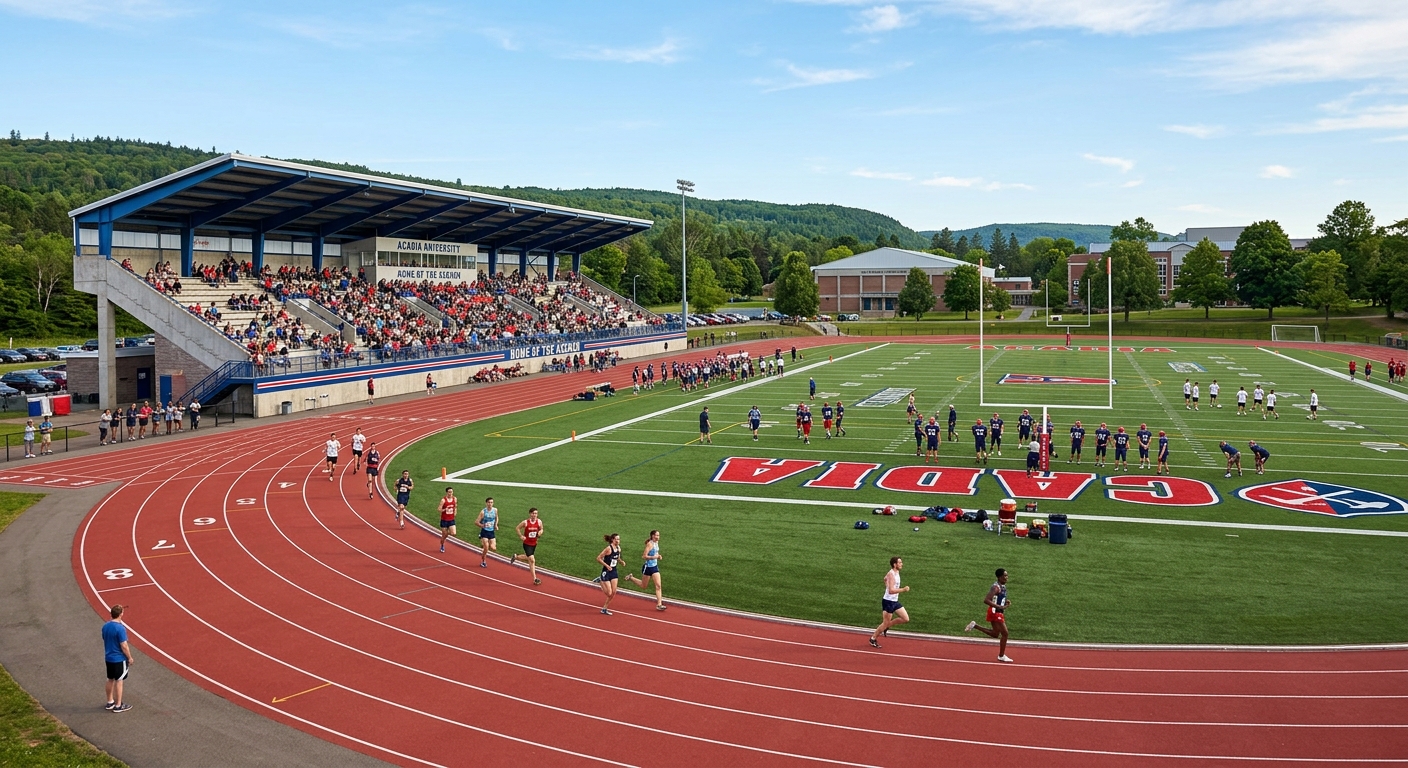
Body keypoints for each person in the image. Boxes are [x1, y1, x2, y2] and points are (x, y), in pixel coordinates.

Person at [965, 568, 1013, 663]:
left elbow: (998, 599)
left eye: (1007, 575)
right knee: (1005, 633)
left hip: (998, 611)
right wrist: (999, 606)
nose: (1007, 577)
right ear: (999, 577)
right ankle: (1001, 656)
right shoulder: (996, 587)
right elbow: (986, 600)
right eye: (1005, 576)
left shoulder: (1003, 586)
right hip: (995, 612)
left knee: (995, 634)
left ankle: (975, 626)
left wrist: (1005, 604)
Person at [869, 556, 910, 648]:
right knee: (885, 622)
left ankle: (887, 626)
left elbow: (885, 579)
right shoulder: (891, 574)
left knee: (905, 618)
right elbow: (891, 591)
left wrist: (887, 585)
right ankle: (873, 638)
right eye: (899, 563)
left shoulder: (896, 572)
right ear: (895, 564)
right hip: (888, 602)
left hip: (894, 601)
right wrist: (903, 589)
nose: (901, 564)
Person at [623, 529, 666, 611]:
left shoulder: (656, 543)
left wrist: (658, 556)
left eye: (659, 535)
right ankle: (631, 577)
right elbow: (644, 556)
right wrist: (654, 557)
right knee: (643, 586)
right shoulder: (649, 544)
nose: (658, 537)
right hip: (648, 567)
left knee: (658, 585)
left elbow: (655, 553)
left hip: (655, 567)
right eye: (657, 535)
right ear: (653, 536)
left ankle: (659, 604)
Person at [103, 604, 135, 712]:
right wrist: (129, 657)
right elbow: (124, 645)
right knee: (119, 681)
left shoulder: (106, 626)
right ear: (121, 614)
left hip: (108, 657)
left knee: (110, 679)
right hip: (119, 659)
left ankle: (110, 701)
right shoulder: (120, 628)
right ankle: (118, 705)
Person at [506, 507, 544, 585]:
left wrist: (540, 532)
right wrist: (521, 536)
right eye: (533, 513)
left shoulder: (539, 521)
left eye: (536, 513)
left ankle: (516, 557)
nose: (534, 515)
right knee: (532, 559)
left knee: (530, 559)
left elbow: (541, 529)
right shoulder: (525, 522)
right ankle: (535, 578)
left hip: (534, 543)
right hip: (527, 543)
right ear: (530, 514)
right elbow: (517, 528)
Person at [595, 533, 622, 615]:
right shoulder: (608, 549)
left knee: (614, 592)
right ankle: (600, 580)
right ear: (612, 540)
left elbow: (617, 557)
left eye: (619, 539)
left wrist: (621, 562)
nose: (618, 541)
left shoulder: (618, 548)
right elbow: (598, 558)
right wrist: (606, 566)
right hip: (606, 572)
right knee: (609, 593)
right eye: (616, 539)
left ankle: (604, 608)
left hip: (614, 571)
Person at [475, 497, 498, 567]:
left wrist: (496, 525)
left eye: (491, 502)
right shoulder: (483, 512)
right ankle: (483, 561)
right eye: (489, 502)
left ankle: (483, 544)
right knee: (486, 548)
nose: (490, 504)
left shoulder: (495, 510)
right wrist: (483, 525)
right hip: (484, 531)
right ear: (486, 503)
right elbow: (476, 522)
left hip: (491, 532)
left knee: (493, 548)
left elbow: (497, 518)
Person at [437, 488, 458, 553]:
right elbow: (439, 509)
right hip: (444, 520)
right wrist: (445, 509)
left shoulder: (455, 499)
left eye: (451, 492)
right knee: (445, 535)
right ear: (447, 492)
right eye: (449, 492)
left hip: (451, 519)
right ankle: (442, 544)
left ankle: (445, 534)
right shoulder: (443, 500)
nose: (450, 493)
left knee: (454, 533)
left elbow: (455, 506)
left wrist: (455, 512)